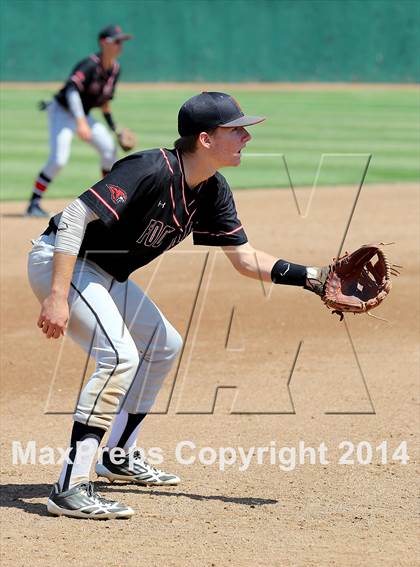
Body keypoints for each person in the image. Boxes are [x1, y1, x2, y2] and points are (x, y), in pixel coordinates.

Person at [27, 91, 327, 519]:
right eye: (236, 129)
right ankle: (70, 487)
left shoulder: (211, 190)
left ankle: (118, 455)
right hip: (64, 260)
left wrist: (314, 277)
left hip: (105, 274)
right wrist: (57, 294)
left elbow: (245, 259)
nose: (246, 137)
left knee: (164, 343)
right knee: (118, 358)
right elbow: (75, 217)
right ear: (205, 140)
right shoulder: (150, 168)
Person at [25, 24, 132, 217]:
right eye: (116, 41)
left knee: (109, 149)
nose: (120, 45)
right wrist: (81, 121)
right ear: (103, 43)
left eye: (121, 41)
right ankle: (34, 204)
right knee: (59, 159)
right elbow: (72, 90)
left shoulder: (115, 70)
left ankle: (106, 201)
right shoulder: (89, 64)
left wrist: (114, 129)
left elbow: (105, 103)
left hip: (82, 113)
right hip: (63, 111)